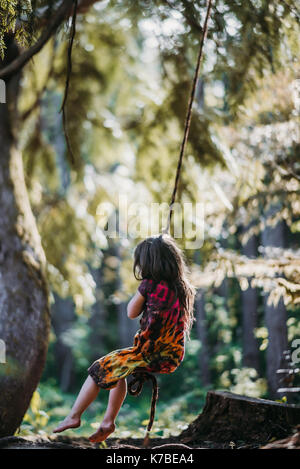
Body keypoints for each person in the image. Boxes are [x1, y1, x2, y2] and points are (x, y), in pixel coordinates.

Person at [53, 233, 195, 442]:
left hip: (149, 353)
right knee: (118, 369)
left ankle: (74, 416)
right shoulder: (183, 288)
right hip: (172, 356)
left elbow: (131, 311)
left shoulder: (149, 285)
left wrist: (142, 292)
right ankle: (108, 421)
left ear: (146, 264)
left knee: (98, 368)